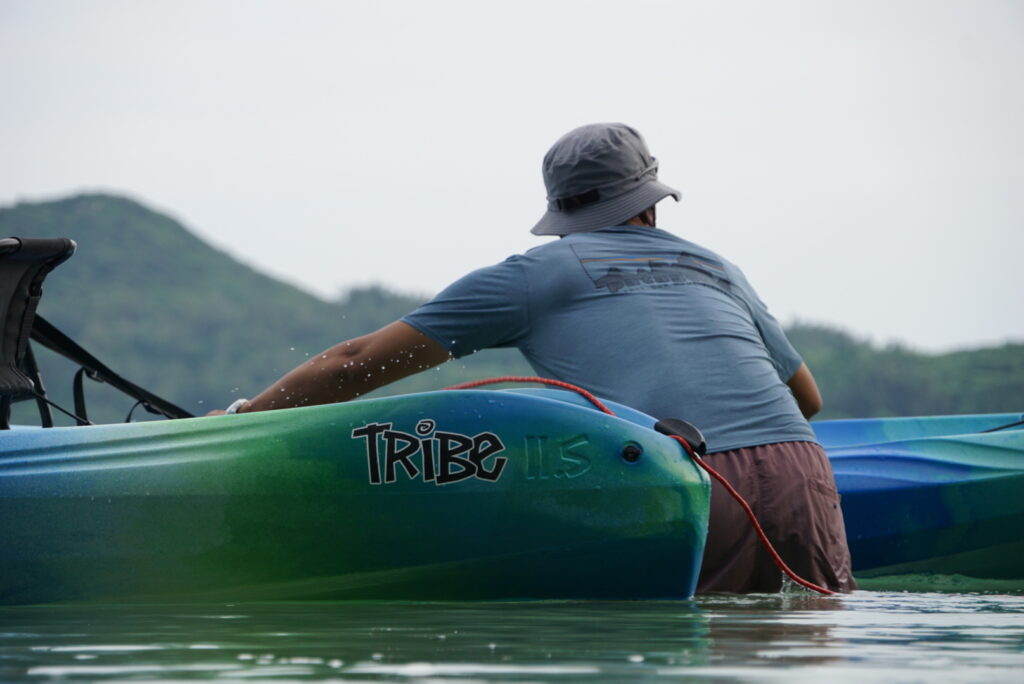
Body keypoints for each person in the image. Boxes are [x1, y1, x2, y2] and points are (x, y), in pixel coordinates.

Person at [215, 123, 856, 593]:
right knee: (800, 648)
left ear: (560, 206)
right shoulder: (715, 265)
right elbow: (808, 400)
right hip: (801, 468)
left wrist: (236, 423)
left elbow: (353, 363)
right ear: (652, 201)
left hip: (682, 480)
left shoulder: (533, 275)